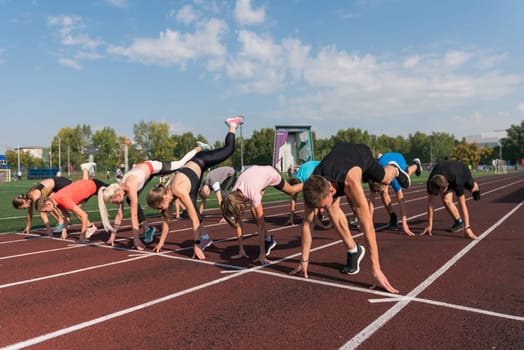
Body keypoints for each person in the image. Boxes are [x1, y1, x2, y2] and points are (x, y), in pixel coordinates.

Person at [290, 142, 410, 294]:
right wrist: (304, 259)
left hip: (360, 155)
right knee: (332, 209)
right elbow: (307, 224)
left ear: (332, 190)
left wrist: (376, 269)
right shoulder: (313, 186)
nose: (320, 210)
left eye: (322, 206)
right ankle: (354, 250)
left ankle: (395, 169)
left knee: (384, 178)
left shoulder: (351, 183)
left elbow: (368, 227)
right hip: (338, 154)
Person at [146, 116, 243, 259]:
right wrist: (161, 243)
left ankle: (232, 125)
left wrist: (196, 245)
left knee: (229, 149)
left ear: (164, 197)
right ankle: (205, 239)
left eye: (160, 207)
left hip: (202, 160)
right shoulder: (169, 196)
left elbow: (194, 222)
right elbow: (167, 222)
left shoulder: (178, 190)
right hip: (192, 181)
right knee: (196, 213)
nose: (162, 210)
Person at [98, 143, 208, 251]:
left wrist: (136, 240)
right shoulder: (121, 188)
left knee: (180, 163)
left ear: (117, 195)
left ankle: (199, 148)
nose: (117, 204)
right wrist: (113, 236)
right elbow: (119, 214)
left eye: (115, 202)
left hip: (153, 167)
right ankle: (147, 228)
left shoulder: (130, 186)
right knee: (128, 200)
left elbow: (134, 215)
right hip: (144, 173)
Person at [221, 165, 303, 264]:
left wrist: (262, 255)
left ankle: (310, 183)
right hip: (256, 175)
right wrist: (241, 250)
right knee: (252, 209)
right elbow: (238, 223)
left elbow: (260, 224)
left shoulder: (253, 193)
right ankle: (269, 239)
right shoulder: (233, 194)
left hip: (270, 174)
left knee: (292, 190)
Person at [36, 173, 109, 241]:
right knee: (75, 210)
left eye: (46, 211)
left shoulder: (63, 199)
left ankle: (89, 228)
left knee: (117, 193)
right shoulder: (55, 201)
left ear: (48, 204)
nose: (48, 213)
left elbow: (84, 215)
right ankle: (90, 227)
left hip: (94, 186)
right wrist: (64, 230)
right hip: (87, 187)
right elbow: (66, 216)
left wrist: (82, 235)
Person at [421, 159, 480, 239]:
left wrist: (468, 228)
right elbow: (431, 204)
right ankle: (458, 222)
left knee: (471, 188)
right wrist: (429, 225)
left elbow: (462, 205)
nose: (438, 195)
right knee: (445, 199)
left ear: (447, 186)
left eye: (440, 192)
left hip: (461, 170)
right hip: (447, 172)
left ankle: (476, 189)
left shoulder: (457, 182)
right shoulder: (431, 182)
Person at [367, 153, 422, 236]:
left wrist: (404, 224)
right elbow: (371, 202)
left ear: (385, 182)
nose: (379, 192)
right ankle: (393, 216)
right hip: (384, 160)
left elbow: (401, 201)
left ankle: (416, 165)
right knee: (383, 193)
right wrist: (368, 222)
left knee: (407, 173)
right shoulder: (373, 177)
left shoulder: (395, 180)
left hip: (398, 159)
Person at [285, 160, 327, 227]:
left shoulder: (307, 179)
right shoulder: (296, 179)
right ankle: (318, 216)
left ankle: (318, 218)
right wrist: (291, 217)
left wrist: (316, 219)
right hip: (310, 167)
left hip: (322, 166)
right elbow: (293, 200)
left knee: (320, 195)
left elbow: (315, 196)